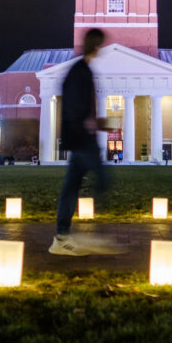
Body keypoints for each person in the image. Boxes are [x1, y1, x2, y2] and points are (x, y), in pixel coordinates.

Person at [49, 29, 119, 256]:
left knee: (71, 187)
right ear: (96, 46)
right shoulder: (81, 72)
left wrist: (97, 123)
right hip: (81, 138)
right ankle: (97, 233)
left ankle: (61, 237)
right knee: (103, 179)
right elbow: (75, 108)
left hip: (77, 136)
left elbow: (75, 107)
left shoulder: (79, 70)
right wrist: (91, 125)